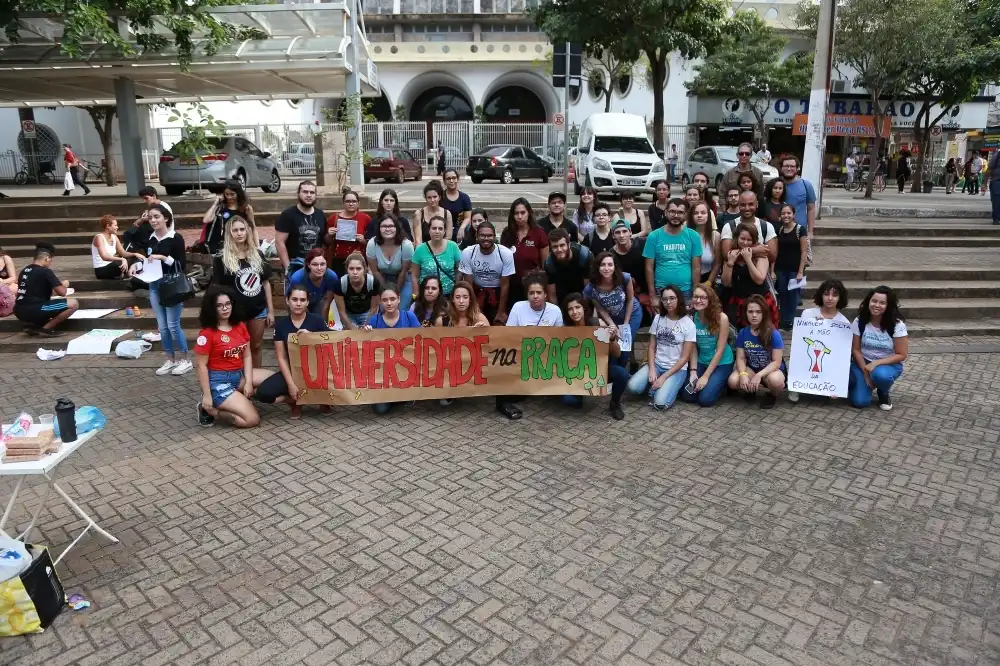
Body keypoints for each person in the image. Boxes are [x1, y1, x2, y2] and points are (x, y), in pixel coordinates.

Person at [194, 287, 274, 428]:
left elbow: (247, 356)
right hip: (219, 381)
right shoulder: (206, 334)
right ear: (212, 308)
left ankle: (239, 397)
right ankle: (211, 410)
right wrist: (207, 395)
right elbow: (201, 366)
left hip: (239, 375)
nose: (225, 308)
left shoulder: (240, 326)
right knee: (252, 419)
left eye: (228, 304)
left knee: (273, 380)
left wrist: (249, 382)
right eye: (219, 305)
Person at [255, 285, 331, 419]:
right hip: (293, 370)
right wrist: (290, 384)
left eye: (302, 300)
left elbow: (334, 340)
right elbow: (281, 357)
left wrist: (312, 336)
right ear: (287, 300)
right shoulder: (281, 325)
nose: (298, 303)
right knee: (263, 394)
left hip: (317, 370)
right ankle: (294, 401)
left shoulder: (317, 320)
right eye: (294, 299)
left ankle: (321, 399)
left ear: (307, 302)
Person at [497, 271, 563, 420]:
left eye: (539, 292)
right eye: (531, 292)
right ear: (527, 295)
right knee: (516, 395)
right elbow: (508, 336)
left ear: (545, 294)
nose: (535, 296)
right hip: (522, 358)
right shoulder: (518, 307)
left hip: (545, 360)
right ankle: (502, 403)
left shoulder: (555, 311)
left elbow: (559, 341)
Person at [211, 214, 273, 368]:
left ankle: (256, 378)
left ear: (247, 231)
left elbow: (265, 283)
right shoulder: (221, 258)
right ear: (229, 233)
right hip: (235, 312)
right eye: (235, 230)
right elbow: (218, 288)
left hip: (258, 310)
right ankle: (239, 380)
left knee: (256, 346)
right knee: (237, 348)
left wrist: (270, 310)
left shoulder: (257, 254)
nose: (239, 233)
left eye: (242, 229)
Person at [139, 204, 192, 375]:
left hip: (172, 285)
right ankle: (170, 359)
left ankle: (186, 359)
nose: (153, 220)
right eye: (150, 217)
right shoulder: (151, 238)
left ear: (166, 218)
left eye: (156, 217)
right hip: (154, 284)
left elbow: (181, 265)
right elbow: (148, 260)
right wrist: (138, 266)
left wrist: (163, 257)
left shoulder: (175, 238)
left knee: (173, 325)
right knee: (162, 327)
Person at [626, 285, 696, 410]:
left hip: (676, 369)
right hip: (657, 364)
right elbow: (652, 347)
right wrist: (652, 369)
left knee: (660, 404)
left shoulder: (689, 324)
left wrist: (664, 377)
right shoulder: (658, 318)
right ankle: (656, 384)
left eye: (672, 298)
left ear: (679, 299)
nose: (668, 302)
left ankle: (665, 388)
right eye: (664, 299)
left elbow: (684, 358)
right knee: (632, 387)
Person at [562, 293, 629, 420]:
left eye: (577, 307)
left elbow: (617, 353)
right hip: (580, 372)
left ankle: (615, 403)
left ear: (584, 308)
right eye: (570, 309)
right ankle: (580, 395)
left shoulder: (597, 323)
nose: (574, 312)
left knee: (622, 374)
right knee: (570, 401)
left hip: (601, 368)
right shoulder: (566, 330)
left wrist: (612, 338)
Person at [849, 286, 908, 411]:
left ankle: (883, 392)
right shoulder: (860, 321)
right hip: (863, 363)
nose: (877, 305)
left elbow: (901, 354)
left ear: (888, 305)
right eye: (874, 301)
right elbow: (856, 350)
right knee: (860, 402)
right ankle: (864, 385)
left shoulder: (897, 325)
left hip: (888, 364)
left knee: (881, 376)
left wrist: (876, 363)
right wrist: (865, 373)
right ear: (868, 301)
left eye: (882, 303)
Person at [367, 285, 422, 415]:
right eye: (385, 300)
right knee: (380, 410)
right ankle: (395, 397)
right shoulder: (375, 320)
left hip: (407, 370)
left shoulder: (409, 317)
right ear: (380, 302)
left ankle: (401, 395)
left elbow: (423, 339)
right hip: (384, 374)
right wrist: (365, 333)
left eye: (392, 299)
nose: (389, 303)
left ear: (399, 299)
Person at [679, 283, 734, 407]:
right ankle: (710, 383)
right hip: (702, 360)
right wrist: (693, 371)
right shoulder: (693, 317)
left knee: (705, 400)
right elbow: (693, 346)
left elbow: (720, 350)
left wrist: (705, 376)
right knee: (687, 396)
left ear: (710, 300)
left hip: (721, 362)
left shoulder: (722, 318)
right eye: (695, 297)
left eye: (703, 297)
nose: (698, 300)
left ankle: (722, 383)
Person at [728, 294, 785, 409]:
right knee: (733, 381)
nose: (754, 315)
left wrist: (759, 375)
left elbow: (776, 362)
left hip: (770, 370)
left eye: (758, 312)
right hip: (752, 368)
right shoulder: (743, 333)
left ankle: (772, 394)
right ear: (746, 313)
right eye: (750, 311)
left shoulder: (773, 333)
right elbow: (740, 358)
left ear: (764, 313)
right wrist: (743, 375)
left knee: (776, 381)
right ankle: (750, 389)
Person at [583, 252, 640, 365]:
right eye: (603, 265)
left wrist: (625, 325)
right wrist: (612, 324)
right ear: (598, 267)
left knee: (625, 344)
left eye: (610, 264)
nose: (606, 268)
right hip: (611, 316)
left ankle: (627, 366)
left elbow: (630, 300)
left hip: (632, 313)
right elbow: (600, 309)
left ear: (615, 266)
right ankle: (629, 363)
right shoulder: (591, 288)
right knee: (615, 345)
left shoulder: (625, 278)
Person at [643, 198, 701, 303]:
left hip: (686, 291)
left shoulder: (694, 236)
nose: (676, 215)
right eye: (672, 211)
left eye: (680, 212)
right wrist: (652, 295)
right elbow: (648, 268)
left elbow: (696, 268)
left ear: (686, 215)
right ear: (666, 212)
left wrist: (695, 293)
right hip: (661, 290)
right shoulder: (654, 236)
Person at [13, 242, 79, 336]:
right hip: (35, 309)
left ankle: (32, 326)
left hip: (19, 310)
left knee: (45, 305)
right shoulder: (45, 272)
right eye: (50, 261)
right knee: (73, 304)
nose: (50, 263)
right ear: (47, 258)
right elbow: (62, 292)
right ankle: (46, 329)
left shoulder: (24, 271)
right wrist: (64, 285)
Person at [722, 224, 778, 328]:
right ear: (737, 238)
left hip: (759, 301)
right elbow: (726, 283)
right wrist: (730, 263)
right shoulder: (732, 255)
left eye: (749, 240)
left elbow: (759, 280)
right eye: (742, 239)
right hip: (739, 302)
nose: (745, 243)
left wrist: (748, 259)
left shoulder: (761, 255)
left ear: (754, 240)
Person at [458, 221, 514, 323]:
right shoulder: (468, 252)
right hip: (476, 291)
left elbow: (505, 285)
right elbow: (468, 284)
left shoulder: (505, 253)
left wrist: (501, 311)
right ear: (477, 236)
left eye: (489, 236)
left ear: (494, 236)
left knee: (498, 324)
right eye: (482, 235)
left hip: (498, 292)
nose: (486, 239)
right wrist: (472, 308)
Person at [500, 197, 549, 308]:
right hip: (511, 286)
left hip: (533, 288)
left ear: (529, 213)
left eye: (523, 212)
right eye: (516, 213)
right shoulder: (507, 233)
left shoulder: (539, 233)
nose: (520, 217)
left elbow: (545, 265)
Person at [275, 181, 325, 275]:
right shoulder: (287, 215)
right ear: (298, 194)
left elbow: (323, 241)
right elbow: (279, 242)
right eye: (305, 192)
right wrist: (288, 268)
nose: (309, 195)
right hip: (295, 265)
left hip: (316, 266)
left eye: (312, 192)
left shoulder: (320, 214)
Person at [774, 204, 808, 331]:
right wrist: (773, 270)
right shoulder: (780, 230)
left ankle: (790, 321)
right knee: (782, 293)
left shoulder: (801, 229)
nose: (786, 216)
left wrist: (800, 272)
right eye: (783, 213)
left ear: (793, 215)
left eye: (788, 213)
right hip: (781, 268)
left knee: (793, 295)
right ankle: (783, 320)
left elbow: (803, 252)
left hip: (795, 269)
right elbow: (776, 251)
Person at [367, 215, 414, 307]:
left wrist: (395, 292)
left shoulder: (406, 245)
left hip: (403, 279)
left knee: (401, 307)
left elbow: (403, 272)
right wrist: (385, 289)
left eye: (391, 226)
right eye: (384, 226)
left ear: (397, 228)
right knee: (383, 308)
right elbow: (375, 271)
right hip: (381, 278)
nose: (387, 229)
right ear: (379, 228)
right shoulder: (372, 244)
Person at [411, 215, 462, 297]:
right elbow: (415, 276)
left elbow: (459, 270)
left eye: (440, 228)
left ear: (445, 231)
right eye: (434, 228)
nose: (437, 231)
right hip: (426, 295)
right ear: (429, 230)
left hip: (449, 294)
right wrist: (416, 296)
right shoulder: (420, 249)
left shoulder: (453, 246)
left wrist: (457, 291)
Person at [720, 191, 778, 262]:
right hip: (736, 272)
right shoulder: (729, 226)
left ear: (757, 204)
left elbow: (772, 257)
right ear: (739, 205)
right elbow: (726, 255)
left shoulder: (767, 226)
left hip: (760, 271)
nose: (747, 208)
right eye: (743, 205)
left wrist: (738, 253)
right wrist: (755, 250)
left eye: (751, 204)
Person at [199, 180, 253, 255]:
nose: (229, 197)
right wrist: (215, 204)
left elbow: (253, 228)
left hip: (240, 244)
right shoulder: (221, 207)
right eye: (226, 194)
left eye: (232, 194)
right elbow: (206, 220)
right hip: (222, 246)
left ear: (238, 193)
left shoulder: (246, 208)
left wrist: (257, 247)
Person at [324, 190, 371, 276]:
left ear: (358, 203)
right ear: (343, 203)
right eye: (348, 201)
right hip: (338, 260)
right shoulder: (334, 218)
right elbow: (326, 242)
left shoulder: (365, 218)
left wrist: (363, 240)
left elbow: (371, 241)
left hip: (358, 260)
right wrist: (329, 235)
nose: (351, 204)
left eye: (354, 201)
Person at [544, 227, 592, 305]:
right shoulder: (549, 264)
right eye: (555, 247)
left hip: (582, 295)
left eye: (562, 245)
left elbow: (588, 289)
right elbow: (552, 295)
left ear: (569, 244)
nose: (559, 249)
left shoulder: (584, 256)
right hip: (562, 298)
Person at [285, 248, 338, 318]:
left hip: (319, 301)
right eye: (315, 264)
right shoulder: (298, 278)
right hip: (300, 302)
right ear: (308, 265)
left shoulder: (331, 277)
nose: (319, 268)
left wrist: (322, 324)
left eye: (322, 264)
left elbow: (327, 303)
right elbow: (297, 302)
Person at [335, 252, 380, 329]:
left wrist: (366, 325)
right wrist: (352, 328)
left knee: (367, 334)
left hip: (367, 313)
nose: (355, 272)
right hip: (349, 314)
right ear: (347, 269)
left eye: (358, 268)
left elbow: (374, 308)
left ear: (364, 269)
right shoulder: (340, 283)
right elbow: (341, 311)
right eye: (351, 268)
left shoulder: (373, 282)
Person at [92, 214, 143, 279]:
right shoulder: (99, 237)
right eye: (115, 225)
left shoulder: (114, 237)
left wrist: (135, 254)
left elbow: (123, 253)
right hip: (102, 269)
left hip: (113, 264)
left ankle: (128, 272)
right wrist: (121, 259)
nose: (117, 227)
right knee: (120, 262)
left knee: (135, 257)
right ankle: (126, 273)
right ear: (108, 226)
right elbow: (104, 257)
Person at [779, 155, 817, 235]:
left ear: (798, 168)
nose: (789, 169)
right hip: (778, 232)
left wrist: (810, 232)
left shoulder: (806, 185)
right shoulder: (775, 186)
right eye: (786, 166)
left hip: (800, 232)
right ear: (781, 168)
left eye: (792, 166)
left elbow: (811, 209)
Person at [125, 186, 170, 252]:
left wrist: (142, 219)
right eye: (143, 199)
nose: (144, 201)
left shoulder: (163, 206)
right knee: (130, 233)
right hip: (155, 231)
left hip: (162, 231)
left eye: (146, 198)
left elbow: (160, 220)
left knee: (132, 234)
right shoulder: (153, 206)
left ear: (154, 196)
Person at [687, 201, 720, 286]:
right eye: (695, 213)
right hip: (686, 281)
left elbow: (717, 263)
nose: (699, 215)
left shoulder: (715, 236)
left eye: (703, 213)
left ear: (708, 215)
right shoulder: (685, 235)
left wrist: (709, 282)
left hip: (707, 279)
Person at [413, 180, 453, 245]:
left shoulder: (447, 213)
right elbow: (418, 240)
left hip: (442, 249)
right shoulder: (419, 214)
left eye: (435, 197)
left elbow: (448, 238)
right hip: (425, 250)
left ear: (439, 197)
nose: (432, 200)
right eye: (429, 197)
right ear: (425, 198)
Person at [441, 169, 472, 242]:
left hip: (460, 228)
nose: (451, 181)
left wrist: (462, 228)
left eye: (454, 178)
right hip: (443, 229)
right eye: (448, 178)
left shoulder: (464, 197)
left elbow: (467, 217)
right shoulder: (440, 197)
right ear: (444, 181)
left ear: (457, 179)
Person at [990, 150, 1000, 225]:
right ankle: (996, 218)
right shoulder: (997, 156)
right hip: (997, 182)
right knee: (996, 202)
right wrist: (984, 183)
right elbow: (989, 169)